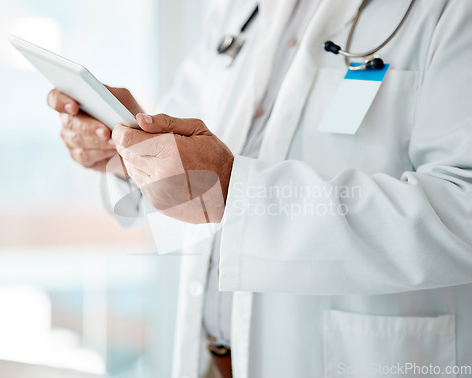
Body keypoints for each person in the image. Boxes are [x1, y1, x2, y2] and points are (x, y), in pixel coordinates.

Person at [47, 0, 472, 377]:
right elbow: (189, 157)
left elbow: (463, 206)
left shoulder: (449, 11)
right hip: (211, 361)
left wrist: (236, 191)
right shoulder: (240, 10)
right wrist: (128, 144)